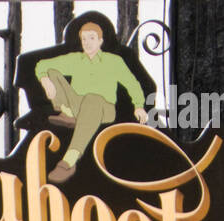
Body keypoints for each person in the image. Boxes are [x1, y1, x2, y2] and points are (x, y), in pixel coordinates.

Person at [35, 21, 149, 181]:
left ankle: (69, 160)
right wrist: (45, 81)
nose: (87, 43)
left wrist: (138, 106)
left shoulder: (113, 61)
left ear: (100, 41)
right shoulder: (76, 59)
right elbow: (42, 65)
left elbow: (132, 84)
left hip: (104, 108)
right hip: (76, 106)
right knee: (52, 72)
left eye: (91, 38)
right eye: (84, 39)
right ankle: (68, 114)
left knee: (92, 98)